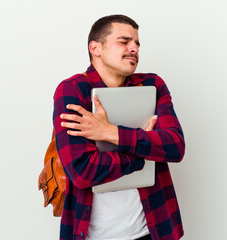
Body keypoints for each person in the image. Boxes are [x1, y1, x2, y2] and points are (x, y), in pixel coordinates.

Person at [53, 14, 185, 240]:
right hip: (93, 235)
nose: (134, 48)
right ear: (95, 48)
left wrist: (110, 132)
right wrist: (144, 152)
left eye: (137, 43)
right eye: (124, 41)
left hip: (153, 231)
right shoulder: (72, 91)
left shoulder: (153, 85)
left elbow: (175, 146)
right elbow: (82, 171)